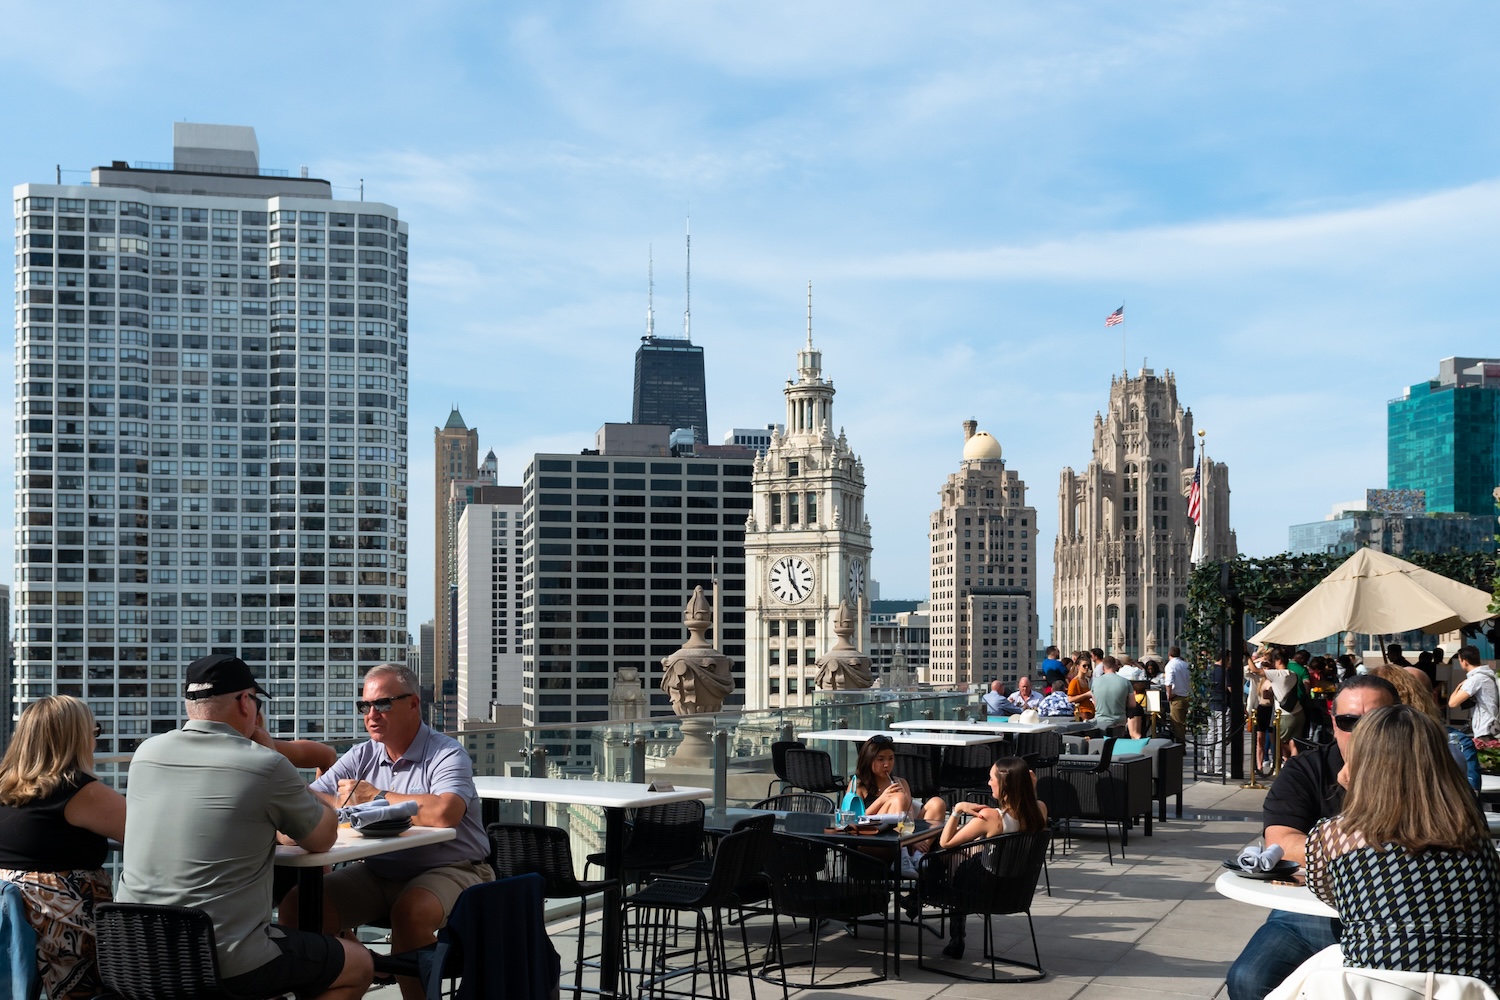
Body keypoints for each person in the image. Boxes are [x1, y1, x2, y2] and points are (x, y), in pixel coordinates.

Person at [118, 654, 372, 1000]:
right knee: (358, 964)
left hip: (135, 952)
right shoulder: (263, 764)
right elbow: (322, 837)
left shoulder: (146, 754)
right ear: (244, 702)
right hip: (221, 958)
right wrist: (274, 755)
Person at [291, 663, 492, 1000]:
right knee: (299, 906)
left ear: (413, 704)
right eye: (365, 706)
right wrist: (345, 799)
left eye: (382, 704)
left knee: (409, 912)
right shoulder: (362, 754)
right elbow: (311, 797)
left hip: (453, 868)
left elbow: (445, 813)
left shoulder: (446, 753)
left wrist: (376, 796)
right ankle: (355, 975)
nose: (372, 714)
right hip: (379, 870)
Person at [1225, 674, 1400, 1000]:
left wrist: (1368, 796)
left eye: (1375, 721)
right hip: (1311, 912)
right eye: (1349, 721)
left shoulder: (1425, 773)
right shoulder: (1307, 769)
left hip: (1398, 917)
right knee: (1249, 978)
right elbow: (1281, 841)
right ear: (1334, 724)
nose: (1361, 733)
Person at [1303, 705, 1500, 986]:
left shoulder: (1332, 837)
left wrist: (1354, 793)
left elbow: (1342, 901)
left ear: (1362, 762)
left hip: (1376, 988)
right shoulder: (1474, 836)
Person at [0, 696, 126, 999]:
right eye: (93, 732)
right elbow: (153, 835)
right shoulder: (78, 790)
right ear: (77, 738)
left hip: (13, 923)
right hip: (62, 931)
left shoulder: (5, 785)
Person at [926, 757, 1048, 959]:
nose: (989, 782)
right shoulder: (1040, 810)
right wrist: (1029, 788)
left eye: (992, 778)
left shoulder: (991, 817)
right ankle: (921, 900)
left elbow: (945, 842)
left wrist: (958, 809)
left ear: (1005, 784)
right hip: (1016, 888)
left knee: (949, 855)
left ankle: (955, 935)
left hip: (985, 889)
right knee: (971, 852)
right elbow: (1030, 803)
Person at [840, 735, 946, 877]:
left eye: (891, 758)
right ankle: (902, 856)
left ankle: (917, 855)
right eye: (881, 759)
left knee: (937, 803)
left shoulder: (900, 782)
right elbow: (851, 822)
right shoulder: (858, 785)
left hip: (902, 837)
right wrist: (882, 799)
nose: (887, 764)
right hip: (871, 841)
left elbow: (907, 817)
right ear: (869, 759)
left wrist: (913, 840)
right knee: (899, 797)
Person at [1447, 645, 1498, 739]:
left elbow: (1452, 703)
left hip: (1485, 729)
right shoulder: (1488, 675)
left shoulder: (1475, 679)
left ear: (1465, 661)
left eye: (1460, 661)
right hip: (1492, 726)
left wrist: (1458, 686)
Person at [1090, 656, 1132, 735]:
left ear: (1103, 667)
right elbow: (1132, 704)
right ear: (1116, 666)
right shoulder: (1125, 682)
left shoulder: (1095, 682)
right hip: (1119, 721)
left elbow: (1095, 703)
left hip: (1101, 721)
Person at [1163, 646, 1192, 742]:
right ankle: (1183, 744)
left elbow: (1169, 682)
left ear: (1169, 655)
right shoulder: (1186, 665)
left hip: (1177, 698)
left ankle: (1180, 747)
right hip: (1188, 696)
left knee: (1177, 725)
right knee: (1184, 724)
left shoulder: (1170, 665)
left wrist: (1169, 695)